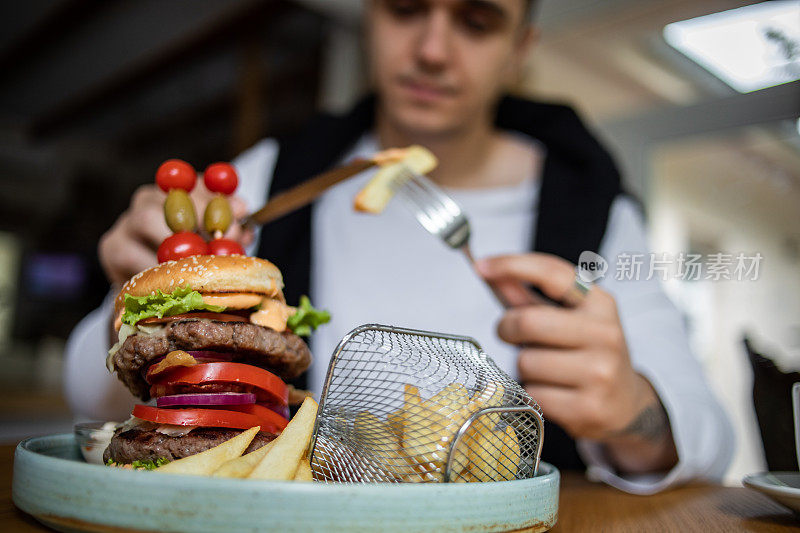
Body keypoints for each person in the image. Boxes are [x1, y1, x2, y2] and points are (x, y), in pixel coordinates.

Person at [64, 0, 733, 493]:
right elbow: (83, 395)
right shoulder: (276, 177)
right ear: (369, 18)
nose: (433, 49)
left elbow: (710, 433)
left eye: (476, 20)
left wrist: (636, 415)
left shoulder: (593, 211)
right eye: (407, 9)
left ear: (520, 48)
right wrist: (132, 312)